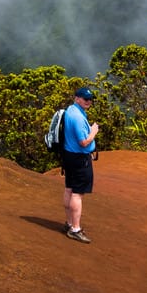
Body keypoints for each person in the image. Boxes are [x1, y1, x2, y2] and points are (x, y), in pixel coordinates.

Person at [59, 85, 101, 243]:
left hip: (69, 155)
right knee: (77, 193)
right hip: (79, 158)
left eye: (90, 99)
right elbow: (84, 142)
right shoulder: (77, 117)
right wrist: (93, 132)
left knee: (69, 189)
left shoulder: (71, 110)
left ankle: (69, 223)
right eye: (85, 99)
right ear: (77, 98)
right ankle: (75, 229)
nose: (88, 102)